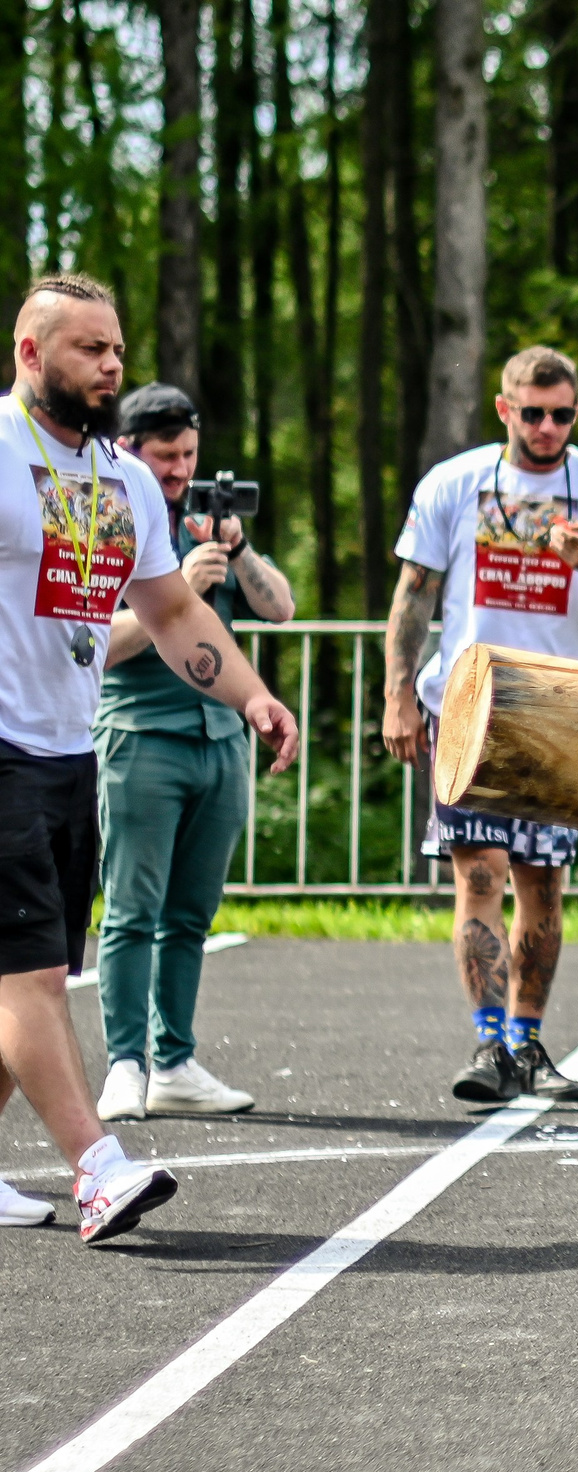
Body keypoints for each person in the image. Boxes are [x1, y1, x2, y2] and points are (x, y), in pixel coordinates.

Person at [0, 274, 298, 1238]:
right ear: (31, 354)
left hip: (67, 754)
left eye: (117, 349)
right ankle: (99, 1168)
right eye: (90, 349)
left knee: (28, 972)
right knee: (33, 976)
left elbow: (173, 611)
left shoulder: (124, 480)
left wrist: (251, 693)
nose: (112, 365)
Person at [382, 346, 578, 1105]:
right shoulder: (456, 483)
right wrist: (396, 696)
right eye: (533, 412)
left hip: (556, 713)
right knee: (478, 874)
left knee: (541, 882)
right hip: (468, 704)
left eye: (563, 414)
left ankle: (526, 1040)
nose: (548, 427)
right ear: (504, 408)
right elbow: (413, 595)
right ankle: (487, 1042)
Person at [89, 382, 295, 1124]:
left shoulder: (213, 523)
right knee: (131, 912)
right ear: (131, 453)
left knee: (190, 915)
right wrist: (179, 597)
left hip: (219, 743)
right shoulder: (111, 518)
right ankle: (124, 1064)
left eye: (188, 455)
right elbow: (97, 647)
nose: (178, 471)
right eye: (164, 456)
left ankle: (174, 1059)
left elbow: (281, 606)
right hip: (141, 735)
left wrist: (235, 558)